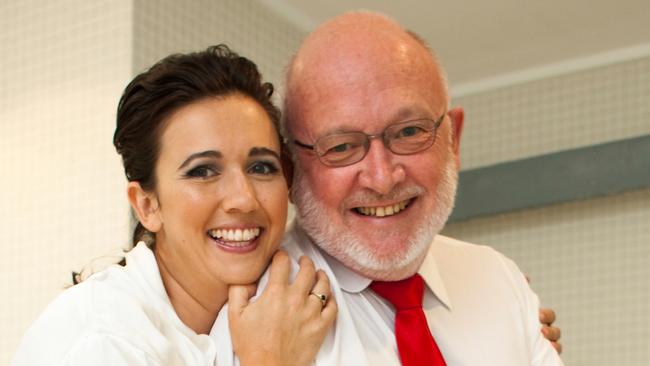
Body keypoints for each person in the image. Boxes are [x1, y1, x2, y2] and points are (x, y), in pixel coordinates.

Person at [11, 45, 337, 366]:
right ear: (147, 206)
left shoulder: (279, 314)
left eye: (262, 167)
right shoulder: (104, 342)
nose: (244, 199)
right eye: (203, 171)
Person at [271, 11, 564, 365]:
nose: (382, 178)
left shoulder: (500, 280)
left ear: (453, 140)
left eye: (409, 132)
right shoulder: (254, 310)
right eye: (341, 147)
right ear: (291, 168)